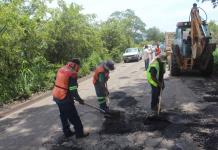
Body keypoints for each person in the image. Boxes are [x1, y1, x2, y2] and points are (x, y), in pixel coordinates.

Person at [52, 58, 89, 138]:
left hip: (56, 95)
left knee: (63, 115)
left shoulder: (62, 69)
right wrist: (79, 100)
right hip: (64, 97)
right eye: (79, 66)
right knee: (74, 116)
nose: (78, 68)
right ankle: (80, 134)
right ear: (76, 65)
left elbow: (58, 81)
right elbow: (73, 91)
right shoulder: (72, 73)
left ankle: (67, 132)